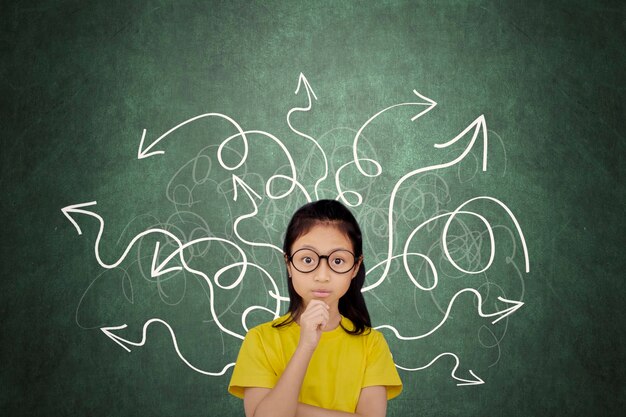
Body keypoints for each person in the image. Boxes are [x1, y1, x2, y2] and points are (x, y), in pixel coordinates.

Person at [228, 199, 402, 417]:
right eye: (308, 259)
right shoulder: (260, 340)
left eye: (338, 261)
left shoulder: (372, 344)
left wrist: (290, 408)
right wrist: (305, 346)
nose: (322, 276)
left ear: (355, 267)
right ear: (289, 264)